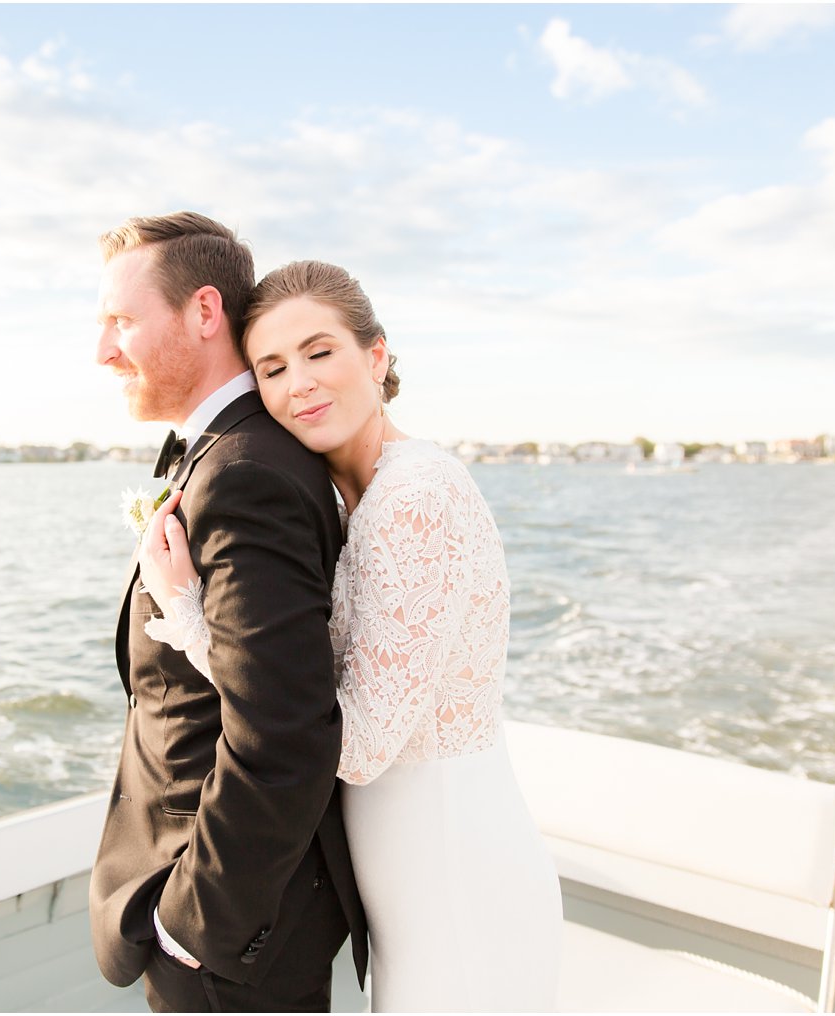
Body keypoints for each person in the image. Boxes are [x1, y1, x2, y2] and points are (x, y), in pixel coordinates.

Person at [139, 260, 563, 1012]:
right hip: (409, 867)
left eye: (319, 351)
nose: (298, 382)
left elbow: (362, 748)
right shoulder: (359, 497)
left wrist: (190, 615)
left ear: (376, 356)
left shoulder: (411, 500)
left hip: (450, 864)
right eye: (271, 367)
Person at [88, 213, 368, 1013]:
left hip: (232, 933)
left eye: (121, 321)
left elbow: (284, 729)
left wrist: (195, 925)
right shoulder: (220, 452)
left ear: (204, 313)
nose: (103, 351)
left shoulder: (247, 474)